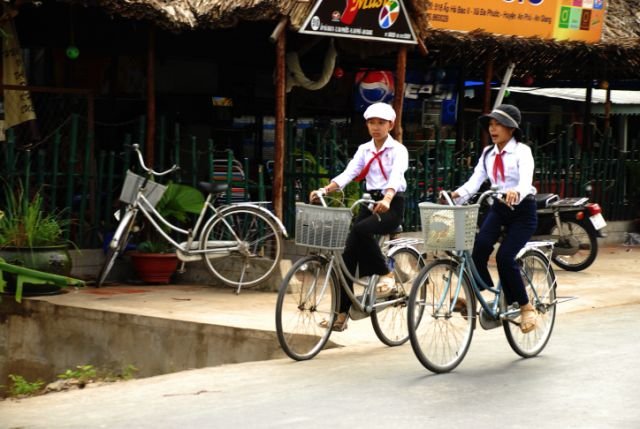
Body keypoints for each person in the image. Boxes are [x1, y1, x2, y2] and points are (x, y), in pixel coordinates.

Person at [310, 102, 409, 332]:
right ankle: (341, 315)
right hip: (369, 203)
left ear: (390, 125)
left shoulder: (398, 150)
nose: (376, 127)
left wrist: (387, 198)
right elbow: (350, 172)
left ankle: (386, 273)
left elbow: (396, 176)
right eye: (371, 123)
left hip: (392, 204)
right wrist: (326, 189)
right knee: (346, 257)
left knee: (360, 230)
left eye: (381, 123)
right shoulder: (365, 149)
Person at [450, 104, 538, 333]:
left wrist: (516, 191)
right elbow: (475, 181)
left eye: (498, 124)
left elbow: (526, 181)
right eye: (491, 124)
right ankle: (481, 292)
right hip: (498, 208)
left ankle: (526, 306)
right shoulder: (488, 153)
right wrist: (456, 195)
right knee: (479, 247)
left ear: (511, 129)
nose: (493, 129)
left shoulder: (522, 152)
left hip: (522, 211)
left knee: (504, 257)